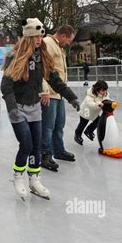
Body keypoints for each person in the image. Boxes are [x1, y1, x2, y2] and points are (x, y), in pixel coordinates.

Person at [1, 18, 80, 201]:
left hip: (35, 108)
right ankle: (18, 177)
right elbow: (5, 85)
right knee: (26, 145)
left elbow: (54, 79)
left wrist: (71, 96)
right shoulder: (15, 56)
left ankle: (34, 180)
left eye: (40, 35)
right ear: (28, 37)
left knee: (36, 147)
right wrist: (12, 108)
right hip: (18, 109)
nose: (39, 39)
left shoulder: (41, 57)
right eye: (35, 36)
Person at [40, 25, 78, 171]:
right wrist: (44, 91)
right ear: (62, 35)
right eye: (69, 40)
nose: (69, 43)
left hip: (58, 93)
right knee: (48, 126)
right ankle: (45, 155)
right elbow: (43, 69)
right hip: (49, 93)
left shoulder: (59, 47)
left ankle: (58, 150)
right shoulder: (48, 44)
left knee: (59, 124)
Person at [74, 80, 109, 145]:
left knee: (98, 121)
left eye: (105, 90)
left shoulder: (104, 94)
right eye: (103, 90)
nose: (104, 92)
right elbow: (90, 103)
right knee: (83, 123)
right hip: (86, 112)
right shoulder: (90, 94)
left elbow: (107, 100)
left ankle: (89, 131)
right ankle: (77, 135)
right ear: (97, 89)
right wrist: (98, 104)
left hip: (94, 112)